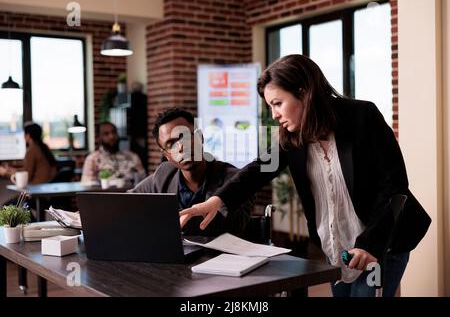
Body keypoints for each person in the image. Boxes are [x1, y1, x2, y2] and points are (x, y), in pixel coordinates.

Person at [179, 54, 431, 297]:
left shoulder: (362, 117)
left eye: (278, 103)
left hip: (381, 243)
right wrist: (215, 201)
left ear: (303, 91)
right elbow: (256, 172)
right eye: (270, 106)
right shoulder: (293, 139)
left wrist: (369, 243)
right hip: (338, 249)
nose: (274, 114)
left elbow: (395, 186)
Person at [131, 108, 252, 237]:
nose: (181, 148)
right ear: (166, 155)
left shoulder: (235, 179)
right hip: (175, 255)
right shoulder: (164, 174)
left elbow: (234, 226)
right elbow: (126, 202)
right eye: (171, 144)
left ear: (200, 137)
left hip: (221, 255)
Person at [81, 121, 146, 184]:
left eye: (114, 132)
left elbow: (144, 181)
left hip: (130, 193)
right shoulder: (93, 159)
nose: (112, 137)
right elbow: (87, 184)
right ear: (99, 138)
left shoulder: (132, 156)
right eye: (106, 134)